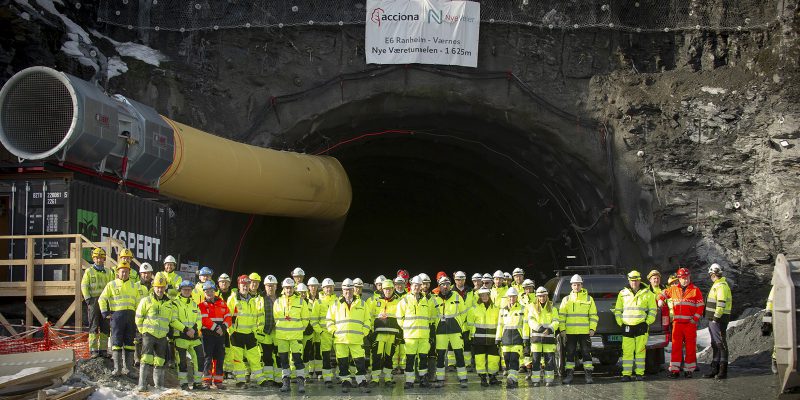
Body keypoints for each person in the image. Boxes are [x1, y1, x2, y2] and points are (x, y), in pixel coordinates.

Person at [135, 274, 181, 391]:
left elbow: (173, 320)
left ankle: (159, 385)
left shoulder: (169, 304)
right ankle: (142, 384)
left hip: (162, 336)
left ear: (165, 287)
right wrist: (143, 331)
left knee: (160, 360)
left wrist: (185, 329)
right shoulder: (146, 300)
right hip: (148, 335)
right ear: (153, 287)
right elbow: (138, 318)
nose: (160, 289)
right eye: (157, 287)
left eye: (162, 287)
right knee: (146, 358)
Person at [327, 278, 373, 393]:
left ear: (354, 290)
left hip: (357, 339)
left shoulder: (362, 303)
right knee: (342, 363)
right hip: (340, 339)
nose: (348, 292)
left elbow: (368, 320)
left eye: (350, 290)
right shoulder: (335, 304)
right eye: (346, 290)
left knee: (360, 362)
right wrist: (333, 331)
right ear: (342, 290)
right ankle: (345, 382)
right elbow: (329, 320)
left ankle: (361, 382)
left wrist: (364, 332)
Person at [99, 260, 143, 378]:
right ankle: (117, 369)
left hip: (131, 317)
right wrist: (105, 313)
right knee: (116, 343)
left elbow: (139, 302)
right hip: (117, 317)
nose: (124, 274)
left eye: (126, 271)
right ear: (118, 272)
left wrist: (139, 317)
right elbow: (102, 299)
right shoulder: (111, 285)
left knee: (129, 343)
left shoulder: (134, 285)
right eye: (122, 271)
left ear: (129, 272)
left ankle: (129, 369)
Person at [658, 267, 704, 378]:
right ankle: (675, 370)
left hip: (690, 324)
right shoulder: (673, 289)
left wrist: (695, 319)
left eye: (687, 277)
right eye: (683, 278)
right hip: (677, 324)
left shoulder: (695, 290)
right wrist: (660, 299)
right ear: (679, 278)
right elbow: (663, 293)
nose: (686, 280)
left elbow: (700, 306)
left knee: (690, 348)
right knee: (676, 348)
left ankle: (689, 370)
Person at [614, 270, 656, 382]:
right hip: (627, 325)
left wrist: (647, 322)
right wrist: (620, 322)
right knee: (627, 351)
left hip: (641, 326)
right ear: (629, 281)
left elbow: (653, 310)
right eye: (632, 280)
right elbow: (618, 310)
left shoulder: (648, 294)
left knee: (640, 351)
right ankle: (626, 374)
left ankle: (639, 374)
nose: (634, 282)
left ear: (640, 280)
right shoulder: (622, 293)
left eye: (636, 280)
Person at [396, 275, 437, 388]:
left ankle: (423, 379)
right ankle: (409, 381)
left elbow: (433, 316)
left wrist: (426, 327)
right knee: (410, 359)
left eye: (419, 286)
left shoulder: (427, 300)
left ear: (421, 287)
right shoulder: (404, 300)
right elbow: (399, 317)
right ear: (411, 286)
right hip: (410, 336)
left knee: (423, 358)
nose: (417, 287)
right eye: (415, 285)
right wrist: (406, 327)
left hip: (424, 336)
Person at [228, 274, 266, 388]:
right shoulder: (233, 299)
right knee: (238, 359)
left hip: (250, 334)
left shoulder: (253, 300)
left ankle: (261, 379)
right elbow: (228, 316)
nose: (245, 287)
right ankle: (240, 381)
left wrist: (255, 331)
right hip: (237, 334)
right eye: (243, 284)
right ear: (239, 285)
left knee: (255, 357)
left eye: (247, 284)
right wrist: (231, 331)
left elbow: (254, 317)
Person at [559, 274, 598, 384]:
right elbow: (562, 316)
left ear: (582, 285)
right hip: (570, 333)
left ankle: (588, 375)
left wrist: (592, 328)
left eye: (578, 284)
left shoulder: (589, 299)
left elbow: (593, 316)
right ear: (571, 286)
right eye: (574, 285)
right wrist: (562, 330)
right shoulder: (566, 300)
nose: (576, 286)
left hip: (585, 332)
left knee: (586, 353)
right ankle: (569, 375)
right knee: (570, 353)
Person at [274, 278, 309, 393]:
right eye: (286, 288)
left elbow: (305, 319)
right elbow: (276, 318)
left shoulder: (301, 301)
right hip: (282, 337)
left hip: (295, 337)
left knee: (298, 360)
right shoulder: (277, 301)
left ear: (294, 288)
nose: (288, 290)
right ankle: (286, 383)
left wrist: (299, 330)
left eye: (290, 288)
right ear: (283, 289)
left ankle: (300, 383)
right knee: (284, 361)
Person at [432, 276, 468, 388]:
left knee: (459, 354)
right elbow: (432, 316)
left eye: (447, 284)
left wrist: (458, 324)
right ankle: (440, 379)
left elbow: (464, 313)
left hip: (455, 331)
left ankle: (463, 378)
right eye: (443, 284)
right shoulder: (435, 299)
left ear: (450, 285)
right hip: (441, 332)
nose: (445, 286)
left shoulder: (457, 297)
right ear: (439, 286)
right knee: (441, 355)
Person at [81, 248, 114, 359]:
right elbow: (84, 286)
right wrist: (88, 300)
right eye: (97, 258)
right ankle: (93, 350)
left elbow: (112, 287)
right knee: (94, 325)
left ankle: (103, 350)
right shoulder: (89, 272)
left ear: (104, 259)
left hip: (105, 302)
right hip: (94, 301)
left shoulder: (109, 272)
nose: (99, 260)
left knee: (105, 326)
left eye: (101, 258)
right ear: (93, 258)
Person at [524, 286, 559, 387]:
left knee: (549, 360)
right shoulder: (533, 307)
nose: (542, 298)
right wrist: (540, 328)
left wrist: (550, 329)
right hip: (536, 338)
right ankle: (536, 380)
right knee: (536, 360)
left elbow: (556, 321)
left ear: (546, 296)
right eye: (540, 296)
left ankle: (549, 380)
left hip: (549, 337)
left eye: (543, 296)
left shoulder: (552, 307)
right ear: (537, 297)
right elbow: (530, 320)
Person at [199, 281, 231, 389]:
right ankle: (206, 381)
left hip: (220, 334)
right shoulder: (201, 305)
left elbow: (228, 317)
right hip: (208, 335)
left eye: (211, 290)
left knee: (219, 358)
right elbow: (203, 319)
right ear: (204, 292)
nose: (209, 293)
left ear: (214, 291)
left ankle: (218, 381)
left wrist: (223, 327)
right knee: (208, 357)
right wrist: (215, 328)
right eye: (207, 291)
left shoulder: (222, 303)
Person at [174, 280, 204, 390]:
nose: (187, 291)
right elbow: (173, 320)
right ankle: (183, 383)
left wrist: (195, 330)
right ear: (180, 290)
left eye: (189, 289)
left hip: (194, 337)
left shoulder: (194, 304)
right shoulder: (175, 303)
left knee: (200, 358)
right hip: (181, 337)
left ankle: (197, 383)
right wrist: (186, 330)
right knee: (182, 361)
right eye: (184, 289)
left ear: (191, 290)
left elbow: (199, 319)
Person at [703, 263, 732, 379]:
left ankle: (722, 370)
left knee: (720, 344)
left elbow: (721, 304)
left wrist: (715, 318)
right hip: (714, 320)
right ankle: (715, 369)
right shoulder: (717, 285)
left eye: (711, 274)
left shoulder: (721, 286)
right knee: (715, 344)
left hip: (718, 320)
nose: (711, 276)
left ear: (713, 274)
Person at [467, 287, 500, 386]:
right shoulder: (473, 309)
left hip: (492, 339)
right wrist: (472, 337)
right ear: (479, 296)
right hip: (478, 339)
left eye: (486, 295)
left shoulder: (496, 309)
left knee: (493, 359)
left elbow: (499, 324)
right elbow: (470, 324)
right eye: (482, 295)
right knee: (479, 359)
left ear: (489, 295)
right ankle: (482, 378)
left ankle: (492, 377)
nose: (484, 297)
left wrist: (499, 337)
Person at [371, 278, 400, 387]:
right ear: (382, 289)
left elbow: (401, 318)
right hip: (379, 335)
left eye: (389, 289)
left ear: (393, 289)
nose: (387, 291)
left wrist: (399, 335)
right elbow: (370, 316)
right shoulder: (376, 301)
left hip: (392, 335)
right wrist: (371, 332)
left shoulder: (399, 301)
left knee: (389, 357)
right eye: (385, 289)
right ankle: (375, 379)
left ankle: (388, 378)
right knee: (377, 357)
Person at [496, 287, 525, 388]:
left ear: (517, 297)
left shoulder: (522, 308)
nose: (512, 298)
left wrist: (525, 338)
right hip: (506, 339)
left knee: (514, 359)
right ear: (507, 298)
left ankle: (512, 378)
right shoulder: (503, 310)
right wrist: (498, 338)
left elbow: (525, 325)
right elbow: (500, 325)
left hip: (518, 338)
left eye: (513, 296)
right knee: (507, 359)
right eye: (510, 297)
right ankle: (512, 378)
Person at [316, 278, 338, 387]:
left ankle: (341, 376)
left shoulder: (338, 300)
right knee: (326, 356)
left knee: (341, 356)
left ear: (333, 288)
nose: (329, 289)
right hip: (324, 333)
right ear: (323, 288)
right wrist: (320, 332)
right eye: (326, 287)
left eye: (330, 287)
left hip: (337, 332)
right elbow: (314, 320)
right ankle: (327, 378)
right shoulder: (318, 301)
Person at [259, 275, 280, 386]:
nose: (270, 288)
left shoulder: (281, 299)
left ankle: (278, 379)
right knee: (267, 356)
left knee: (278, 356)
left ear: (276, 286)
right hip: (266, 332)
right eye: (268, 286)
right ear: (265, 286)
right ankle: (269, 379)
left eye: (272, 286)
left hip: (278, 332)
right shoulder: (261, 298)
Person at [134, 263, 154, 366]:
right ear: (140, 274)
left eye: (148, 273)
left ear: (151, 274)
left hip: (151, 316)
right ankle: (137, 358)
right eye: (144, 273)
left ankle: (148, 359)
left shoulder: (155, 286)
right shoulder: (136, 286)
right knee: (138, 338)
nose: (146, 275)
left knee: (150, 337)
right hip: (139, 315)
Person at [762, 286, 777, 374]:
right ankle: (775, 360)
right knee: (781, 339)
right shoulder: (778, 284)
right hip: (782, 314)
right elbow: (770, 303)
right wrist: (767, 321)